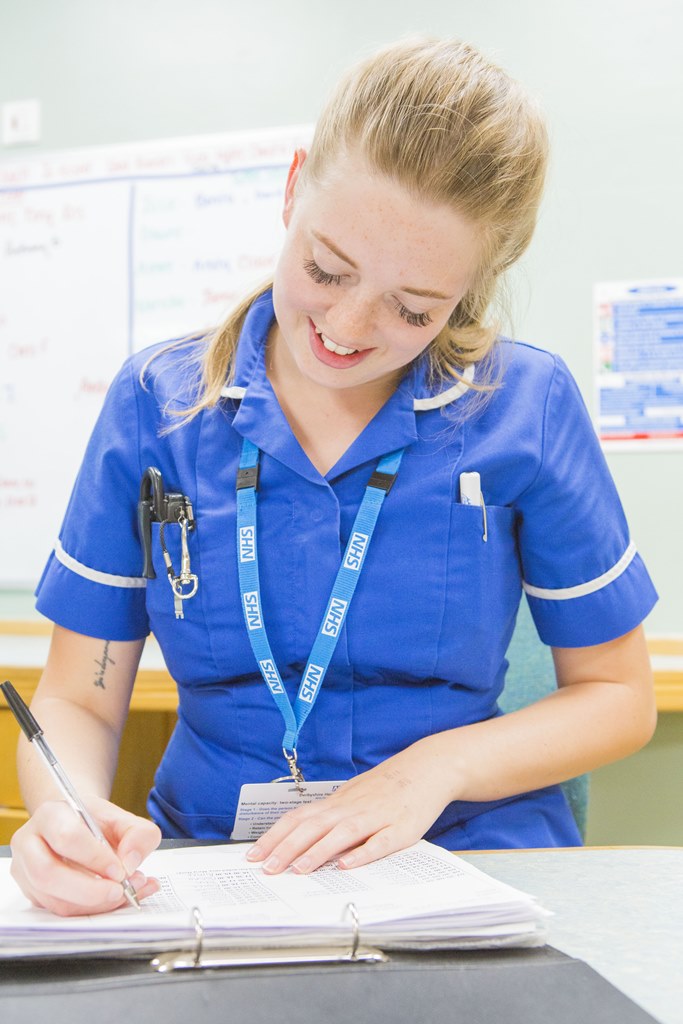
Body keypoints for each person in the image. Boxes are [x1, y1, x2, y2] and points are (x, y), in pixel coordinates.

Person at [11, 36, 657, 917]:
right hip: (214, 869)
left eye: (413, 308)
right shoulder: (154, 406)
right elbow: (78, 699)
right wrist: (67, 811)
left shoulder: (527, 406)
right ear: (291, 187)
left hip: (469, 863)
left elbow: (617, 697)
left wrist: (434, 769)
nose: (347, 328)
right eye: (325, 269)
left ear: (474, 285)